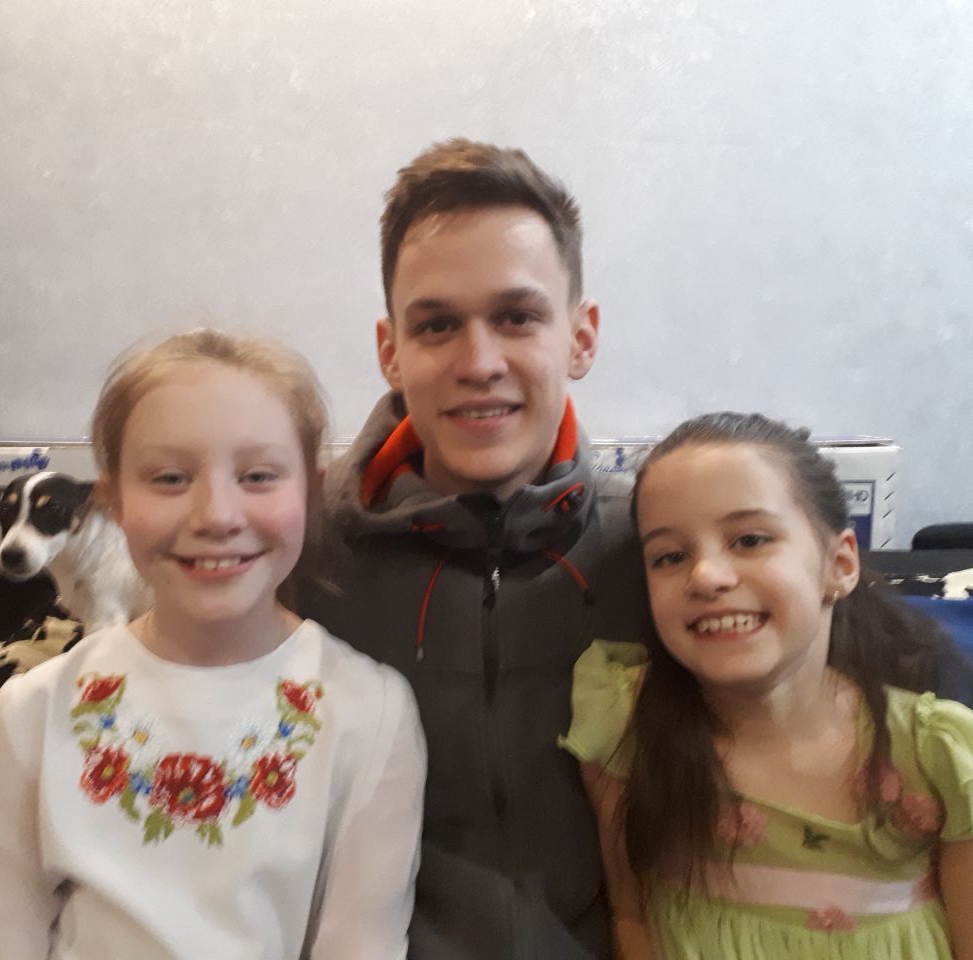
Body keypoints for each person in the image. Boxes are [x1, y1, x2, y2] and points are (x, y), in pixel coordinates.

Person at [0, 330, 427, 960]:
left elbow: (360, 944)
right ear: (113, 503)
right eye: (171, 478)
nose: (216, 516)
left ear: (310, 493)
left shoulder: (372, 712)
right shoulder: (33, 708)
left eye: (258, 476)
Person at [298, 139, 639, 958]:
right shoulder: (297, 555)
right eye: (438, 325)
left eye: (517, 317)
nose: (479, 363)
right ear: (391, 351)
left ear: (581, 336)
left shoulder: (659, 551)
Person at [562, 411, 973, 959]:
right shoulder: (624, 725)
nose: (706, 576)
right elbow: (631, 917)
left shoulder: (942, 758)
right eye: (670, 556)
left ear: (839, 564)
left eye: (749, 539)